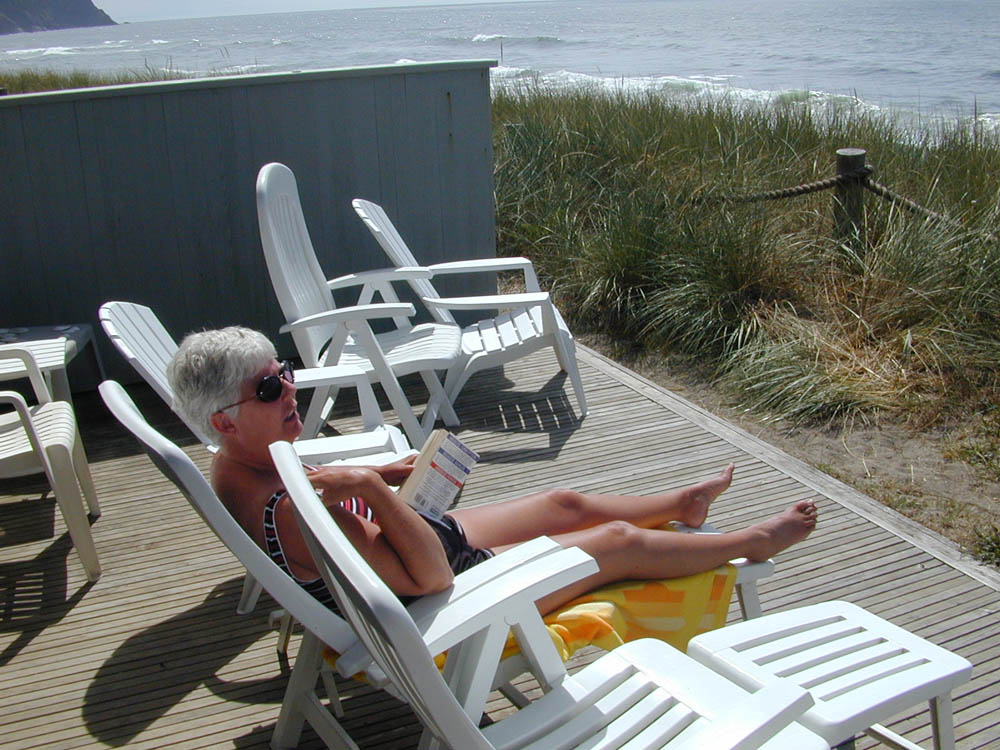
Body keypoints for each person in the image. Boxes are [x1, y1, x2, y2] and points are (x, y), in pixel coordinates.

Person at [168, 326, 817, 614]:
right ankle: (750, 543)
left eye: (285, 374)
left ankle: (680, 503)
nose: (290, 392)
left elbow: (356, 540)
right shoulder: (285, 510)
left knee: (562, 501)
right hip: (441, 594)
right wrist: (368, 485)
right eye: (267, 391)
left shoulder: (236, 468)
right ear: (224, 420)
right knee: (615, 546)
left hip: (394, 553)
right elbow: (431, 578)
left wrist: (388, 481)